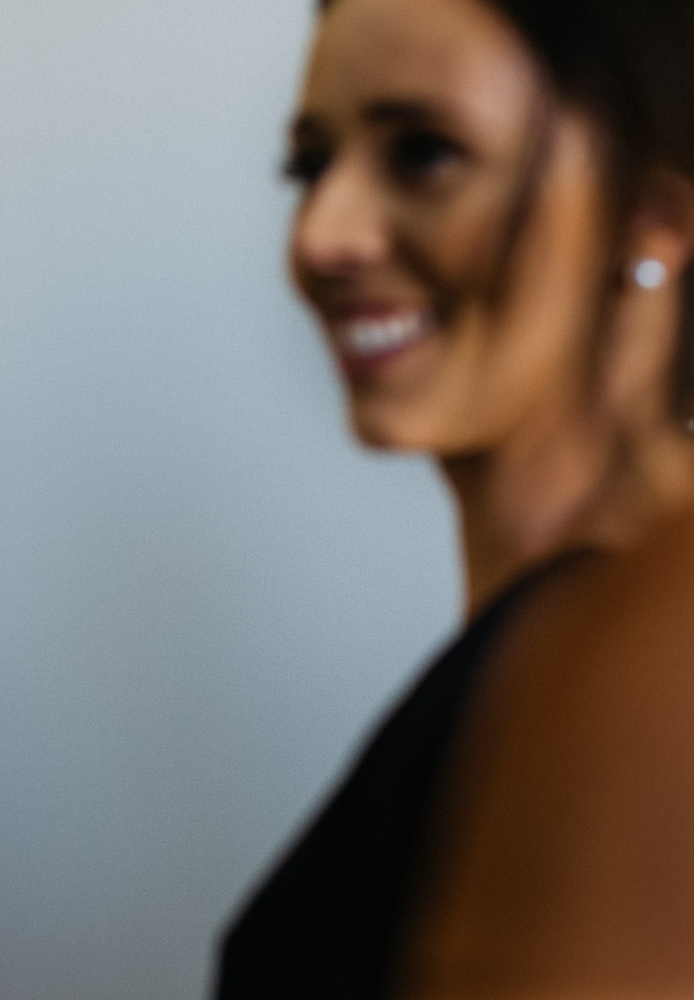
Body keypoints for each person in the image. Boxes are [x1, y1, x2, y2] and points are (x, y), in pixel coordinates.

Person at [217, 0, 694, 996]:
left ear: (655, 218)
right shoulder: (548, 633)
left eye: (425, 154)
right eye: (309, 166)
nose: (321, 235)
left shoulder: (662, 647)